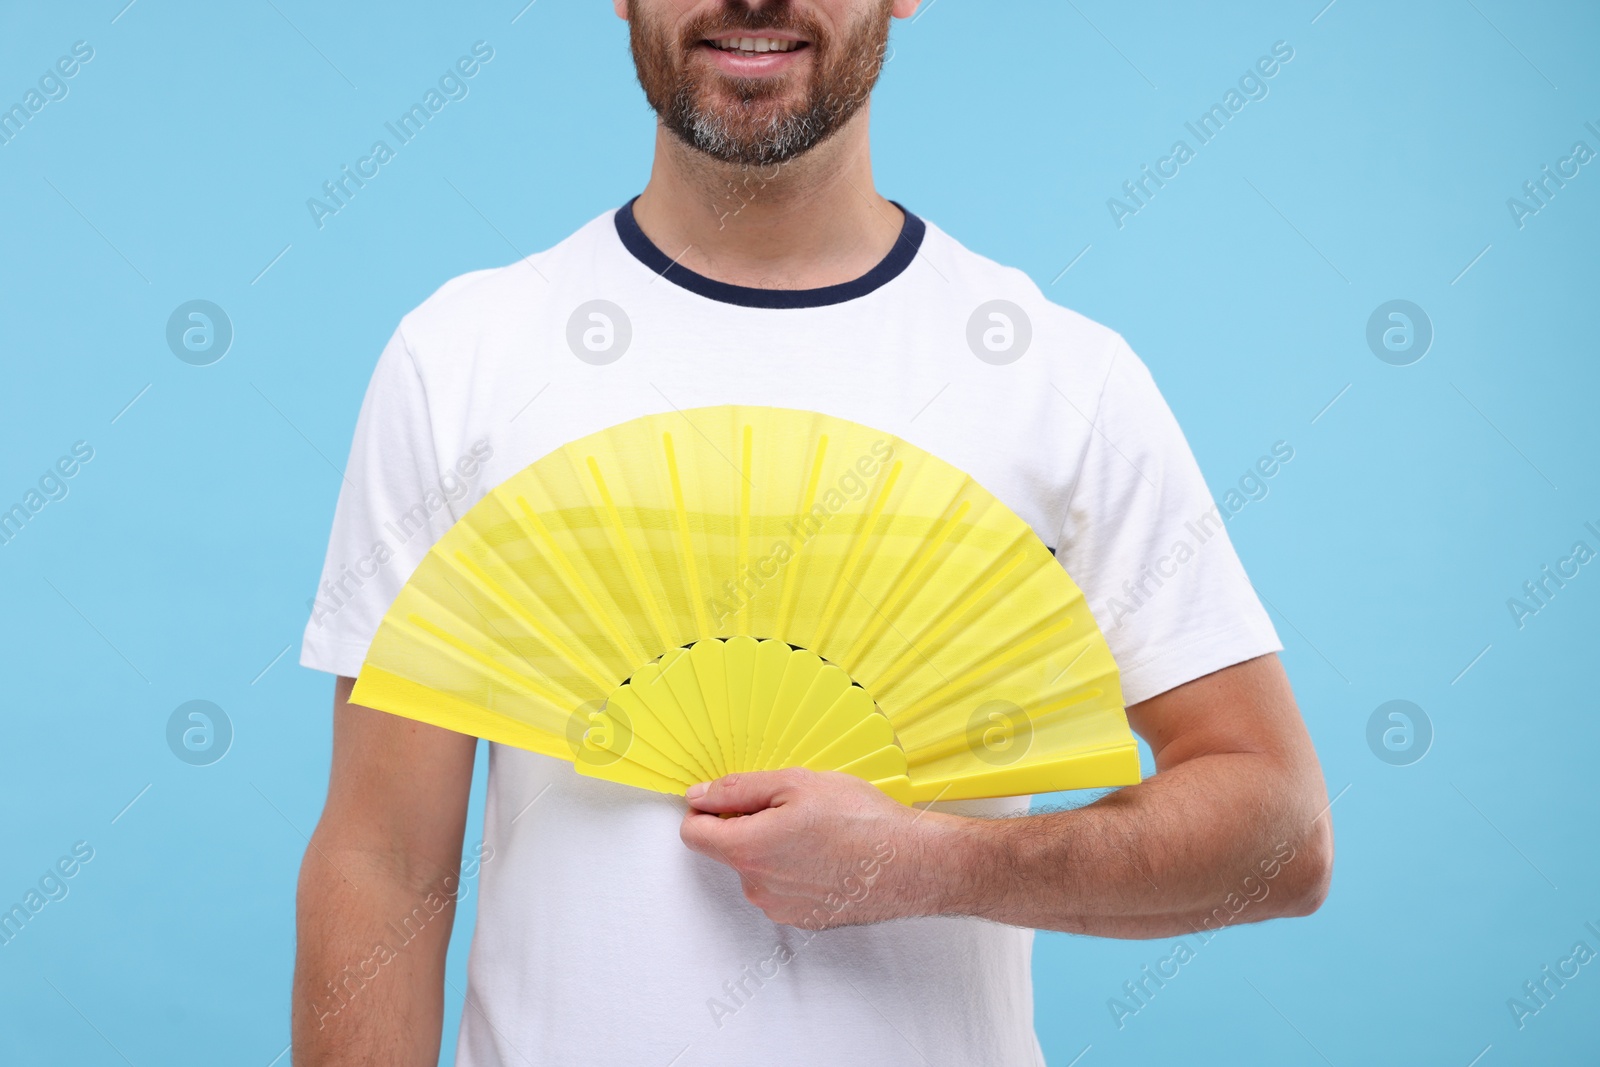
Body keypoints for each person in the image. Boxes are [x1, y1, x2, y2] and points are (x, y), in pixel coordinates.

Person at [293, 1, 1333, 1063]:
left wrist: (931, 861)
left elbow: (1279, 831)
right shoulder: (464, 359)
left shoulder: (1060, 380)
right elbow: (383, 861)